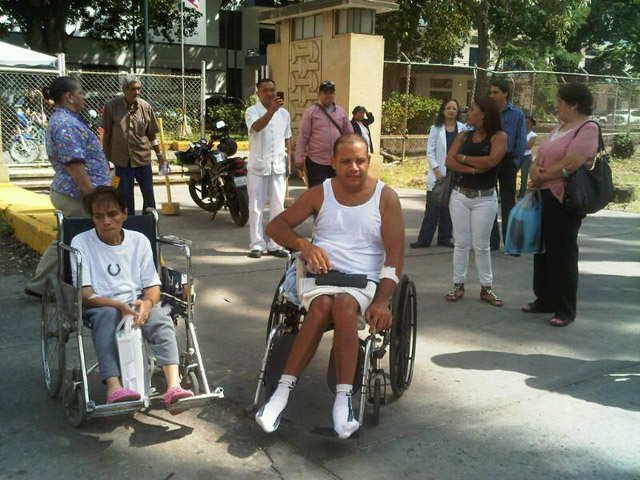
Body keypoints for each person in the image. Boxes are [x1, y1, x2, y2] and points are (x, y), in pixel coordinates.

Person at [255, 133, 404, 439]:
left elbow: (395, 255)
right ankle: (280, 395)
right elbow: (275, 226)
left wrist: (384, 300)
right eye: (346, 161)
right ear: (332, 162)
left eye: (360, 161)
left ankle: (343, 401)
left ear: (368, 161)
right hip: (321, 275)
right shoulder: (319, 193)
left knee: (343, 305)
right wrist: (304, 245)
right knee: (323, 304)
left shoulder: (385, 196)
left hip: (364, 279)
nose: (354, 167)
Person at [71, 186, 194, 408]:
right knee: (107, 317)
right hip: (101, 302)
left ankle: (174, 386)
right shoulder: (81, 243)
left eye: (112, 214)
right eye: (99, 216)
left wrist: (146, 304)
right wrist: (118, 305)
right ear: (92, 218)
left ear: (124, 214)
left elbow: (152, 286)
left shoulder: (139, 241)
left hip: (136, 299)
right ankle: (114, 387)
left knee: (160, 316)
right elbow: (85, 294)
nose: (106, 221)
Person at [24, 77, 111, 298]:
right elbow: (73, 163)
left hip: (75, 193)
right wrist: (91, 194)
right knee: (76, 238)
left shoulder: (68, 119)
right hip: (77, 194)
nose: (83, 97)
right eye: (80, 92)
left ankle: (42, 284)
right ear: (69, 96)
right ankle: (49, 285)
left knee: (67, 238)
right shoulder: (65, 123)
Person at [524, 84, 599, 327]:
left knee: (563, 253)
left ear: (573, 104)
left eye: (560, 101)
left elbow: (572, 163)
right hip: (542, 194)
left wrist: (542, 176)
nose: (556, 105)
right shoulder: (561, 126)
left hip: (562, 198)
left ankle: (565, 308)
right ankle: (545, 298)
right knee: (543, 250)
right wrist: (534, 170)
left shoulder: (588, 128)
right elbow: (541, 154)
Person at [444, 96, 507, 306]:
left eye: (472, 110)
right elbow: (448, 160)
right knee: (460, 243)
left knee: (482, 245)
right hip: (460, 195)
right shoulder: (463, 135)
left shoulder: (499, 137)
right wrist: (472, 167)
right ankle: (457, 285)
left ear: (484, 114)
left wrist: (463, 158)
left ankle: (486, 288)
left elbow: (491, 161)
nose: (467, 113)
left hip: (485, 198)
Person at [102, 75, 165, 215]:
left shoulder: (145, 107)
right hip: (122, 162)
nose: (136, 92)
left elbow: (151, 135)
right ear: (124, 90)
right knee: (125, 197)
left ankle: (149, 225)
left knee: (148, 195)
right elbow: (106, 134)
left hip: (142, 159)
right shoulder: (112, 106)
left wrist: (159, 154)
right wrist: (105, 157)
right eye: (133, 89)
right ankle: (128, 226)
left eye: (138, 89)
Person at [245, 78, 292, 259]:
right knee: (256, 206)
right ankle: (256, 244)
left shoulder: (284, 114)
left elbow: (287, 137)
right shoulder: (252, 111)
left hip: (278, 165)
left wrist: (289, 160)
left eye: (272, 90)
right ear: (258, 93)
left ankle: (275, 244)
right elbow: (256, 127)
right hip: (258, 166)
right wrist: (271, 111)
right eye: (265, 90)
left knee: (278, 206)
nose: (270, 93)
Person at [411, 99, 467, 249]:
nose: (451, 111)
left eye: (454, 108)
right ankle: (424, 239)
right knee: (432, 208)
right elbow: (430, 151)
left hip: (456, 172)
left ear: (457, 111)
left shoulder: (463, 128)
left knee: (449, 208)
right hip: (439, 172)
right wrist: (436, 170)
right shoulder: (436, 128)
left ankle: (445, 238)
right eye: (448, 108)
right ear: (443, 111)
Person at [488, 79, 527, 251]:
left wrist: (516, 162)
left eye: (496, 92)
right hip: (489, 161)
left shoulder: (517, 114)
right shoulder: (488, 113)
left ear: (505, 93)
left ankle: (511, 244)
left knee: (508, 204)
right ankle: (492, 242)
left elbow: (521, 138)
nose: (492, 95)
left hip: (508, 161)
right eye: (491, 92)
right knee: (489, 203)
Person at [295, 80, 353, 187]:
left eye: (331, 93)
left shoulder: (341, 112)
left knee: (338, 192)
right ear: (319, 95)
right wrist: (298, 158)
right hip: (316, 161)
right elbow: (303, 136)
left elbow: (349, 135)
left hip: (337, 161)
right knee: (318, 193)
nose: (329, 95)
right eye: (325, 93)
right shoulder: (311, 112)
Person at [517, 116, 537, 200]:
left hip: (526, 157)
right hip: (518, 155)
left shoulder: (533, 135)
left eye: (528, 122)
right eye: (524, 122)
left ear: (532, 124)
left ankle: (521, 195)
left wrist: (519, 144)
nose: (525, 124)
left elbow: (529, 146)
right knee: (511, 174)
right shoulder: (519, 133)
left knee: (524, 177)